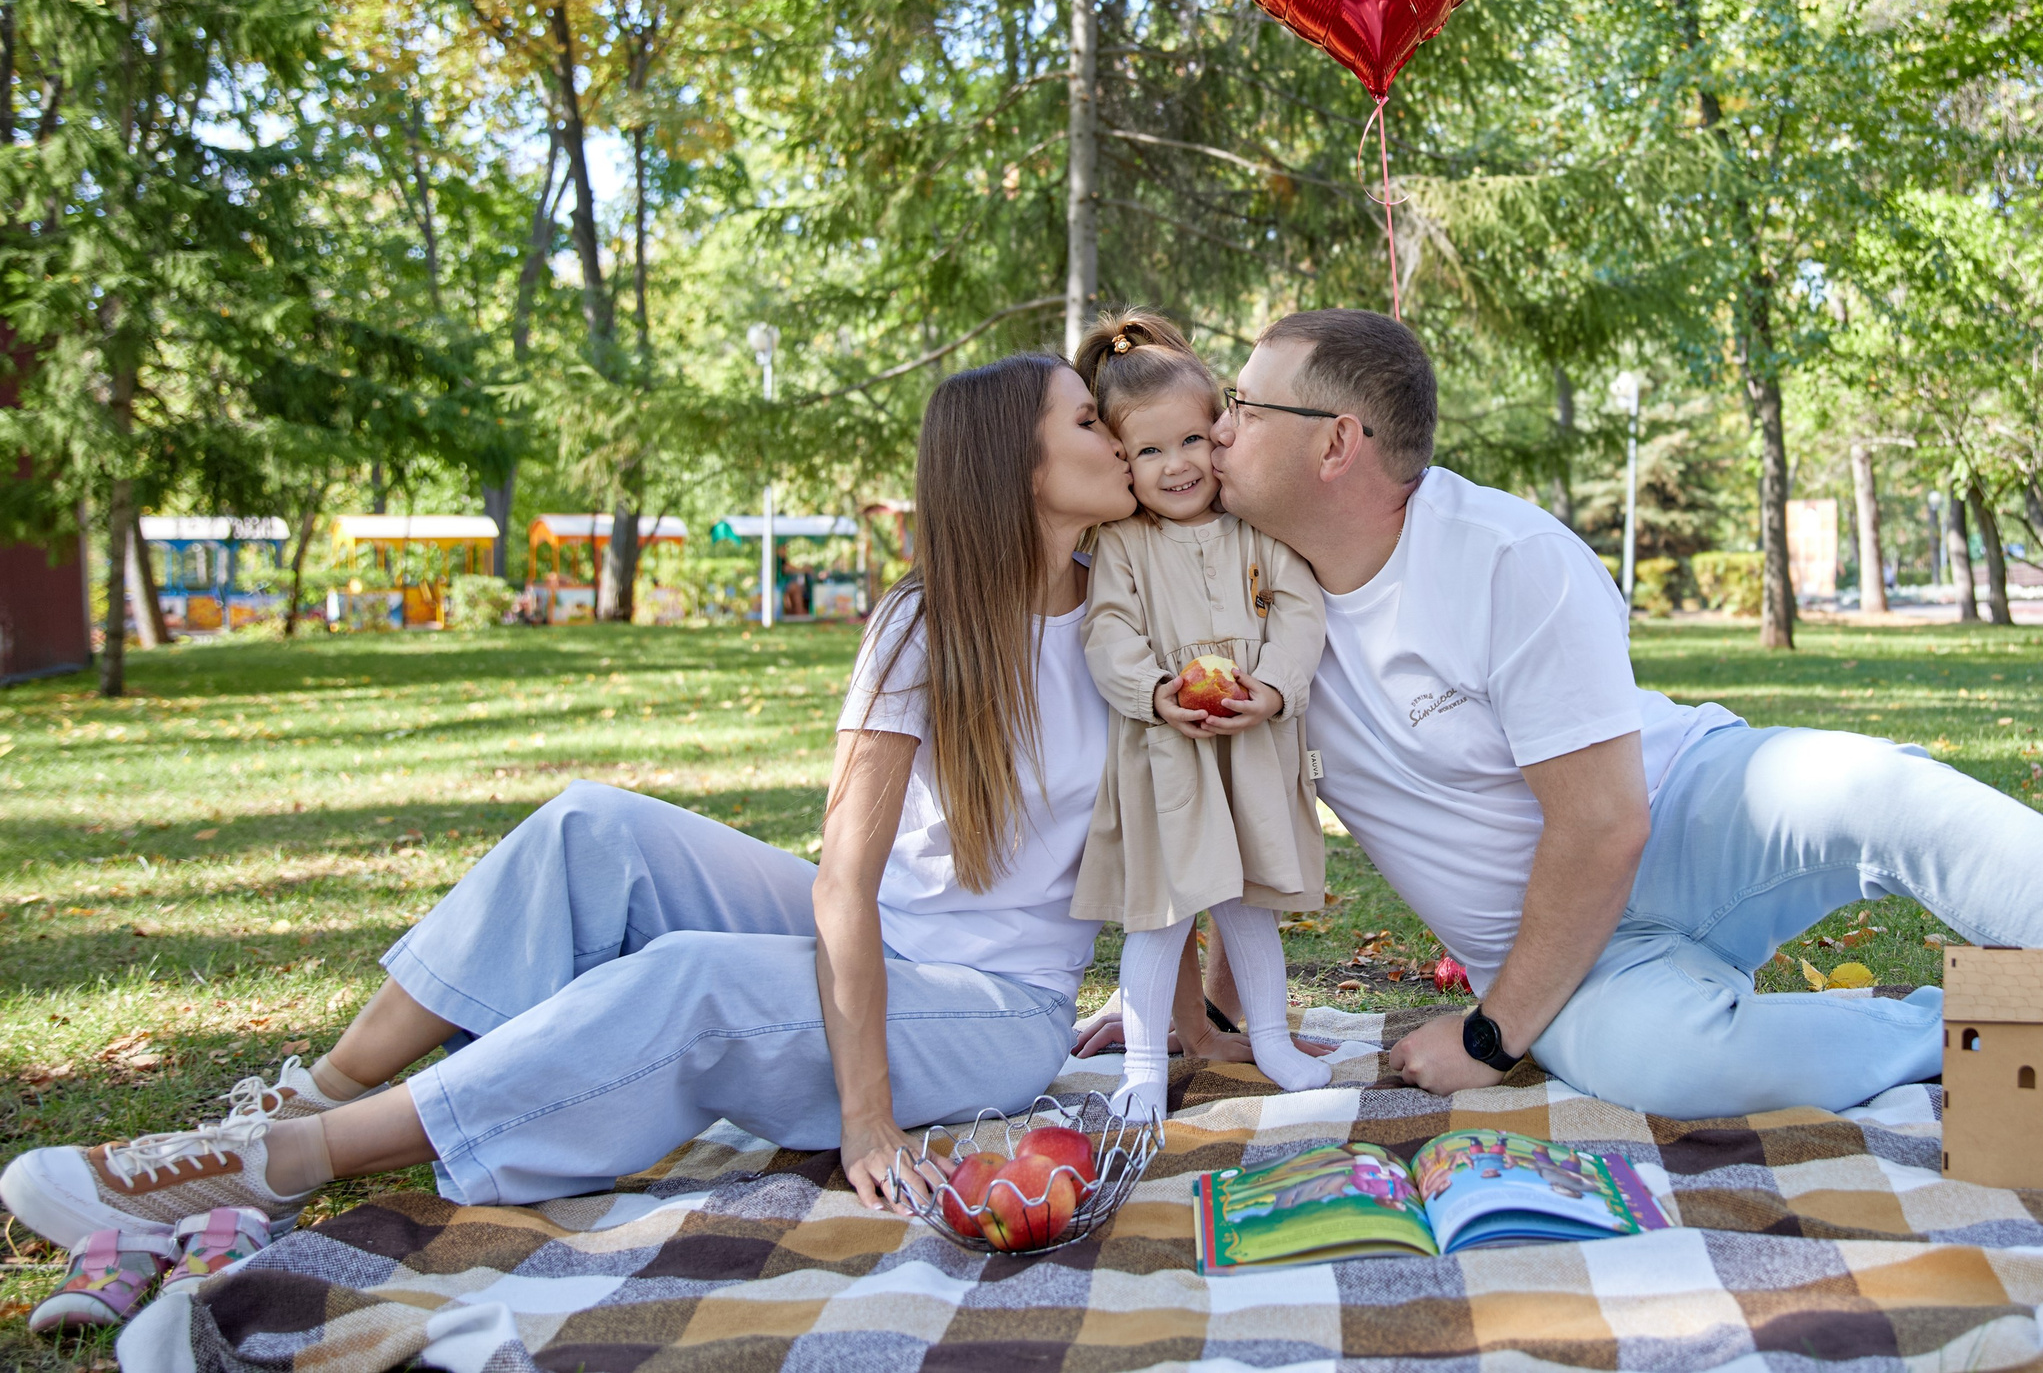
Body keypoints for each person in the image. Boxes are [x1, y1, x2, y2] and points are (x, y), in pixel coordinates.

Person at [0, 353, 1271, 1252]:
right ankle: (311, 1094)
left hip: (1000, 1013)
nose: (1124, 439)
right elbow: (842, 877)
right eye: (1091, 424)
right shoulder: (924, 619)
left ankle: (275, 1166)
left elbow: (1185, 819)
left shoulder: (1140, 611)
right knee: (590, 825)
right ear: (1018, 464)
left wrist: (1191, 1014)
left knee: (698, 980)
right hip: (883, 939)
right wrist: (864, 1110)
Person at [1199, 308, 2043, 1196]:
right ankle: (2004, 1021)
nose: (1215, 426)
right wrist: (1195, 992)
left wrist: (1489, 1037)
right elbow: (1216, 799)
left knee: (1891, 796)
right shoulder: (1234, 593)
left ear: (1335, 442)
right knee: (1668, 1068)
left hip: (1682, 811)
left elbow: (1603, 825)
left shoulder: (1506, 557)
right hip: (1562, 955)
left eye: (1242, 403)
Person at [1066, 312, 1332, 1121]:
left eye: (1190, 440)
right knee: (1162, 912)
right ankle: (1144, 1066)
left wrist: (1276, 688)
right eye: (1149, 451)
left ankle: (1274, 1040)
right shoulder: (1123, 545)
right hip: (1168, 755)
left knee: (1247, 904)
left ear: (1217, 430)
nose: (1176, 464)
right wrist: (1153, 692)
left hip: (1248, 742)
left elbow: (1299, 611)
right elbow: (1105, 631)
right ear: (1122, 461)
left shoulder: (1257, 527)